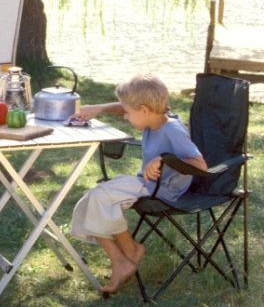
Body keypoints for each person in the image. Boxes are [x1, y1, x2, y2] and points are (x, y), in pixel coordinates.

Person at [70, 75, 206, 295]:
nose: (124, 116)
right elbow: (125, 107)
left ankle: (122, 257)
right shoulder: (155, 116)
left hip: (162, 189)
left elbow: (201, 166)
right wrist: (100, 108)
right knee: (90, 199)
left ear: (144, 110)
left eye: (127, 113)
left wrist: (163, 158)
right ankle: (129, 251)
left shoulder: (173, 130)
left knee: (99, 197)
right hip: (146, 182)